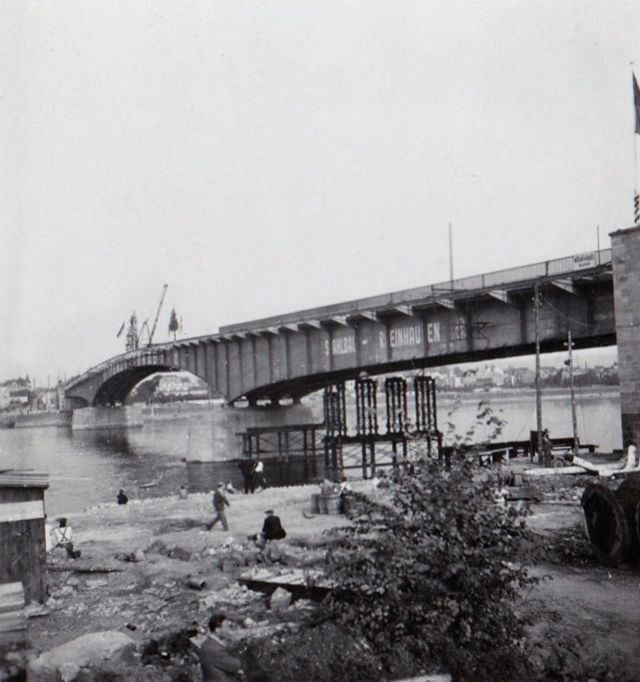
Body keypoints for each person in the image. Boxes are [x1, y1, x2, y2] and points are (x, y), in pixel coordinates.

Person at [196, 612, 243, 682]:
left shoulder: (207, 644)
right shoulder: (214, 648)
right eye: (227, 627)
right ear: (217, 630)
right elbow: (235, 665)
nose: (229, 630)